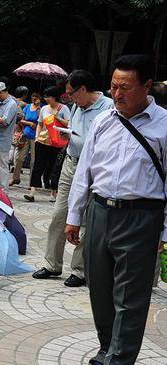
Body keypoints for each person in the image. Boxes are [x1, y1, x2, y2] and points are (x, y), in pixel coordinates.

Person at [66, 55, 167, 365]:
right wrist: (74, 216)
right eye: (112, 86)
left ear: (147, 86)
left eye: (125, 87)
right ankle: (106, 347)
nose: (117, 94)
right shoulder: (103, 119)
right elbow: (86, 171)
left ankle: (119, 359)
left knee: (130, 298)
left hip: (141, 217)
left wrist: (165, 232)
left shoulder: (164, 125)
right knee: (100, 290)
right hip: (99, 212)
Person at [32, 70, 114, 288]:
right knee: (60, 214)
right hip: (71, 164)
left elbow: (105, 141)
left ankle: (79, 270)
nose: (68, 98)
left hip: (95, 169)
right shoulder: (78, 106)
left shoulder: (108, 108)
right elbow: (77, 132)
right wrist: (67, 133)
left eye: (71, 93)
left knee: (87, 220)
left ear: (84, 89)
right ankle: (52, 264)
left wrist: (77, 137)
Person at [24, 86, 70, 202]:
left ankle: (53, 192)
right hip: (42, 141)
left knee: (54, 167)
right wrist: (36, 136)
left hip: (56, 143)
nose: (45, 98)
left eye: (47, 96)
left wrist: (58, 117)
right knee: (38, 165)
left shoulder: (63, 108)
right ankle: (32, 191)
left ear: (54, 97)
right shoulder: (44, 108)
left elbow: (68, 124)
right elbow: (39, 124)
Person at [0, 81, 19, 191]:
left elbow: (5, 121)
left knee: (2, 166)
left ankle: (3, 191)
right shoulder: (2, 103)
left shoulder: (11, 104)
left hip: (3, 139)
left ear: (0, 92)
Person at [10, 92, 43, 185]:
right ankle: (15, 178)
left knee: (33, 161)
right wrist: (29, 123)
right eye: (33, 96)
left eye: (36, 96)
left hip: (36, 137)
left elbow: (42, 120)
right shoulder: (27, 107)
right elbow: (21, 119)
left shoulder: (42, 108)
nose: (34, 98)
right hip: (25, 135)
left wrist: (39, 107)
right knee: (19, 158)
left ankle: (32, 183)